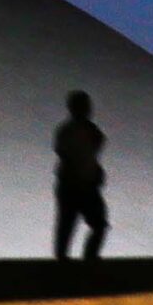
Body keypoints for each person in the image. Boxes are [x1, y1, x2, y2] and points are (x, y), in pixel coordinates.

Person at [52, 91, 108, 260]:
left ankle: (74, 260)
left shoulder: (80, 130)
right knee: (70, 224)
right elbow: (70, 155)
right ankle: (78, 260)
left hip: (82, 184)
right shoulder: (74, 130)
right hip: (77, 185)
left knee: (72, 224)